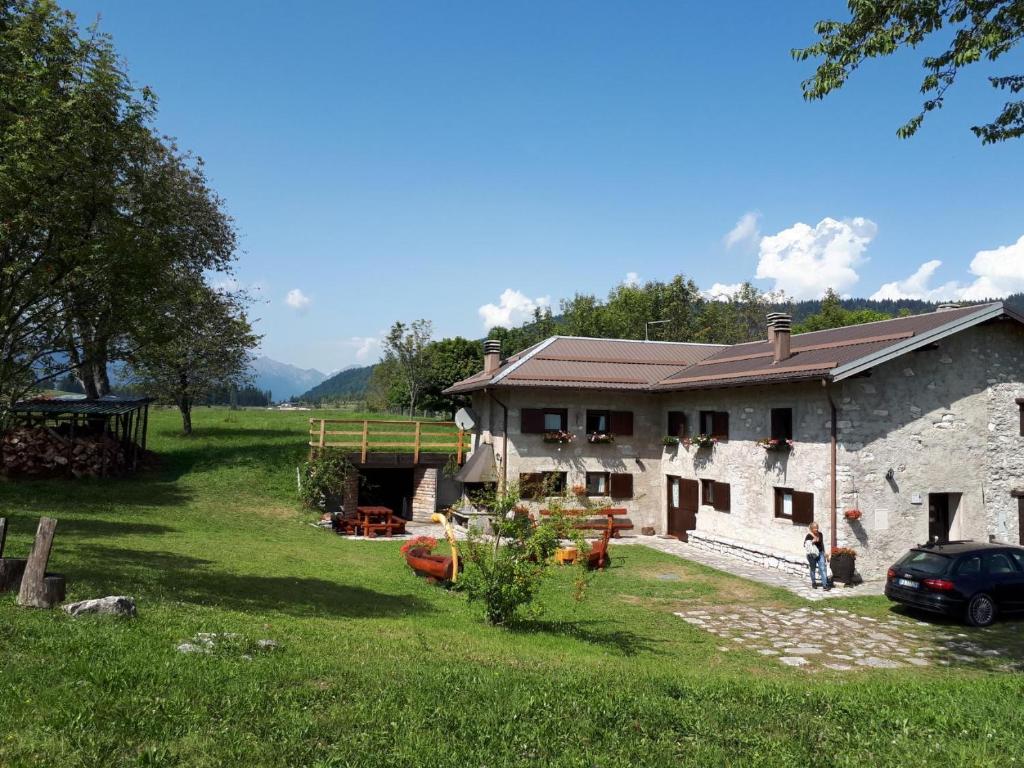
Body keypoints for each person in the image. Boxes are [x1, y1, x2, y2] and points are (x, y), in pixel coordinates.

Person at [804, 522, 831, 590]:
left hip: (820, 553)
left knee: (822, 568)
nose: (816, 529)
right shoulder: (809, 536)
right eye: (814, 528)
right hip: (812, 555)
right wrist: (812, 542)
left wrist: (825, 553)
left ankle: (825, 585)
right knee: (813, 568)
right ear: (811, 529)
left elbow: (821, 544)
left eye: (817, 528)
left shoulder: (820, 534)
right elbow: (805, 545)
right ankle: (813, 582)